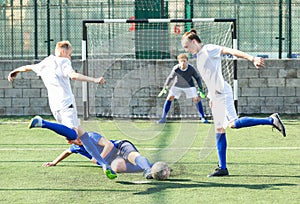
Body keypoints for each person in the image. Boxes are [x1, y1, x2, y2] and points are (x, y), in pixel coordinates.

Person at [181, 29, 286, 177]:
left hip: (223, 92)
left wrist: (252, 58)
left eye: (187, 46)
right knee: (219, 130)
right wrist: (211, 97)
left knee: (233, 124)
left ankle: (271, 120)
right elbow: (211, 78)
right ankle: (222, 168)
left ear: (194, 42)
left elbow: (230, 51)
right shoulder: (199, 57)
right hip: (216, 96)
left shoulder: (209, 49)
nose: (186, 50)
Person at [7, 41, 116, 179]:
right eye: (70, 54)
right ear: (63, 52)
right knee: (72, 135)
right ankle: (42, 123)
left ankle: (103, 164)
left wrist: (14, 71)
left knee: (83, 135)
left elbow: (28, 67)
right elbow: (73, 75)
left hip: (55, 105)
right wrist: (94, 80)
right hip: (66, 104)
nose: (69, 57)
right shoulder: (63, 62)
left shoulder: (45, 62)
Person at [42, 131, 153, 179]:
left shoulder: (90, 136)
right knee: (116, 167)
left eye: (78, 135)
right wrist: (54, 162)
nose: (79, 139)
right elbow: (67, 152)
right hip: (114, 160)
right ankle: (152, 166)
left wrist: (99, 158)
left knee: (133, 156)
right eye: (75, 139)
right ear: (70, 142)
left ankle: (148, 169)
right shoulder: (76, 147)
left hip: (119, 147)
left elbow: (109, 145)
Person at [157, 53, 208, 124]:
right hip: (177, 85)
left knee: (196, 99)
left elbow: (197, 78)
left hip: (189, 85)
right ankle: (163, 118)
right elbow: (170, 77)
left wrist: (200, 88)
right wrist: (165, 87)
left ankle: (202, 117)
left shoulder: (191, 68)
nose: (183, 63)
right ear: (179, 62)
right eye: (181, 61)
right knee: (169, 97)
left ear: (187, 61)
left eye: (184, 61)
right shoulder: (176, 68)